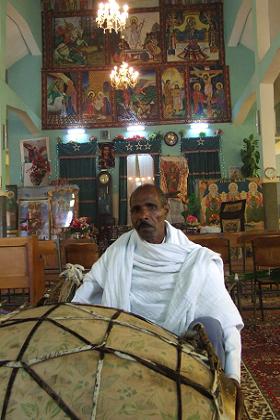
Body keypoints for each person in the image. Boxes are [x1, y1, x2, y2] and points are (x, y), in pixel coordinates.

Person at [72, 184, 243, 412]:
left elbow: (227, 321)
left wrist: (233, 378)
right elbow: (88, 290)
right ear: (131, 215)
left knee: (212, 327)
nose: (144, 215)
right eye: (136, 209)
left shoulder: (195, 260)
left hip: (182, 341)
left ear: (165, 210)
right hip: (128, 339)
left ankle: (211, 405)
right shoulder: (117, 253)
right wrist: (68, 317)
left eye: (151, 207)